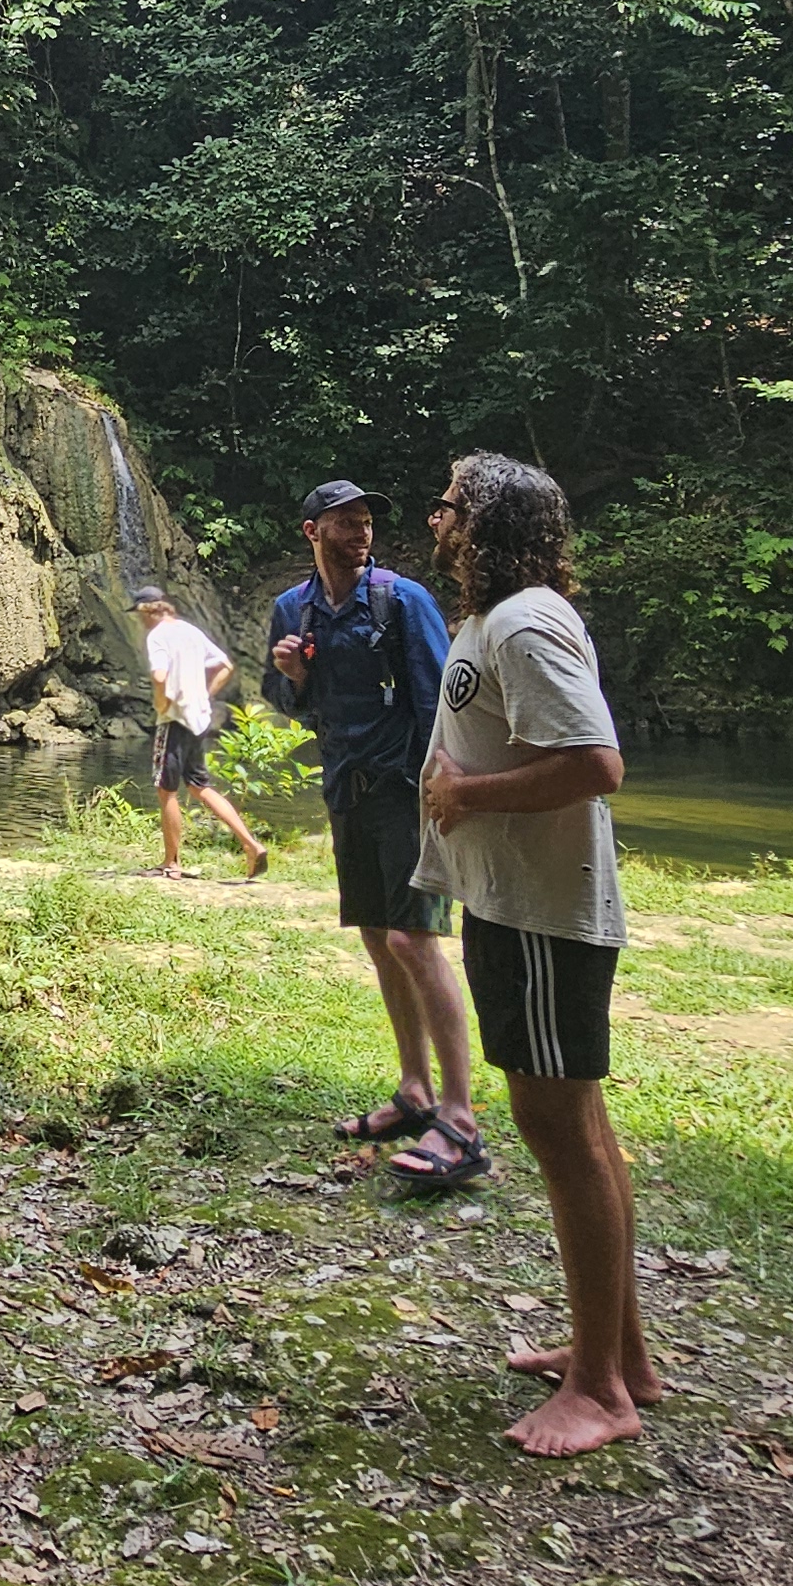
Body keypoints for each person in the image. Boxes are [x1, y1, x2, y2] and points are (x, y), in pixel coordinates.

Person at [416, 452, 648, 1457]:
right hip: (509, 907)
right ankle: (620, 1354)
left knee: (560, 1130)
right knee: (575, 1122)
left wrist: (466, 797)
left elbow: (596, 763)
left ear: (488, 522)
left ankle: (600, 1390)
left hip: (546, 918)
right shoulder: (492, 619)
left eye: (453, 503)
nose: (437, 516)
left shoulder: (524, 620)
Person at [265, 480, 484, 1191]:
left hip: (404, 793)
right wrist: (292, 675)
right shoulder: (291, 611)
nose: (361, 533)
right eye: (346, 522)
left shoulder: (402, 599)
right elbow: (289, 704)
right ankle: (415, 1090)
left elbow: (435, 698)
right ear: (312, 532)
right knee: (374, 936)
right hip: (346, 790)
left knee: (410, 940)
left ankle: (460, 1111)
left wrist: (441, 793)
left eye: (366, 523)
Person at [130, 583, 269, 881]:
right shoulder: (189, 631)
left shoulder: (158, 636)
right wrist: (205, 695)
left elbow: (159, 674)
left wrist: (161, 700)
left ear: (146, 611)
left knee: (166, 790)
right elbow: (225, 665)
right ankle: (251, 843)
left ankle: (171, 863)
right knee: (199, 786)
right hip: (198, 718)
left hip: (174, 719)